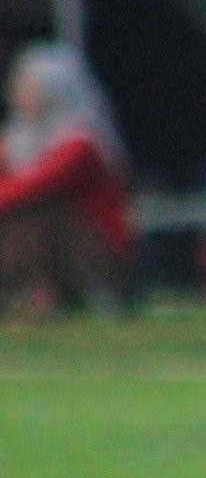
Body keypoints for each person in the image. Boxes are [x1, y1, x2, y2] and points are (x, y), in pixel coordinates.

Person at [0, 44, 133, 323]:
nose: (18, 95)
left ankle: (43, 295)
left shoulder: (81, 142)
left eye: (29, 88)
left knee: (33, 212)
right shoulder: (19, 138)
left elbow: (36, 185)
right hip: (56, 242)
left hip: (95, 247)